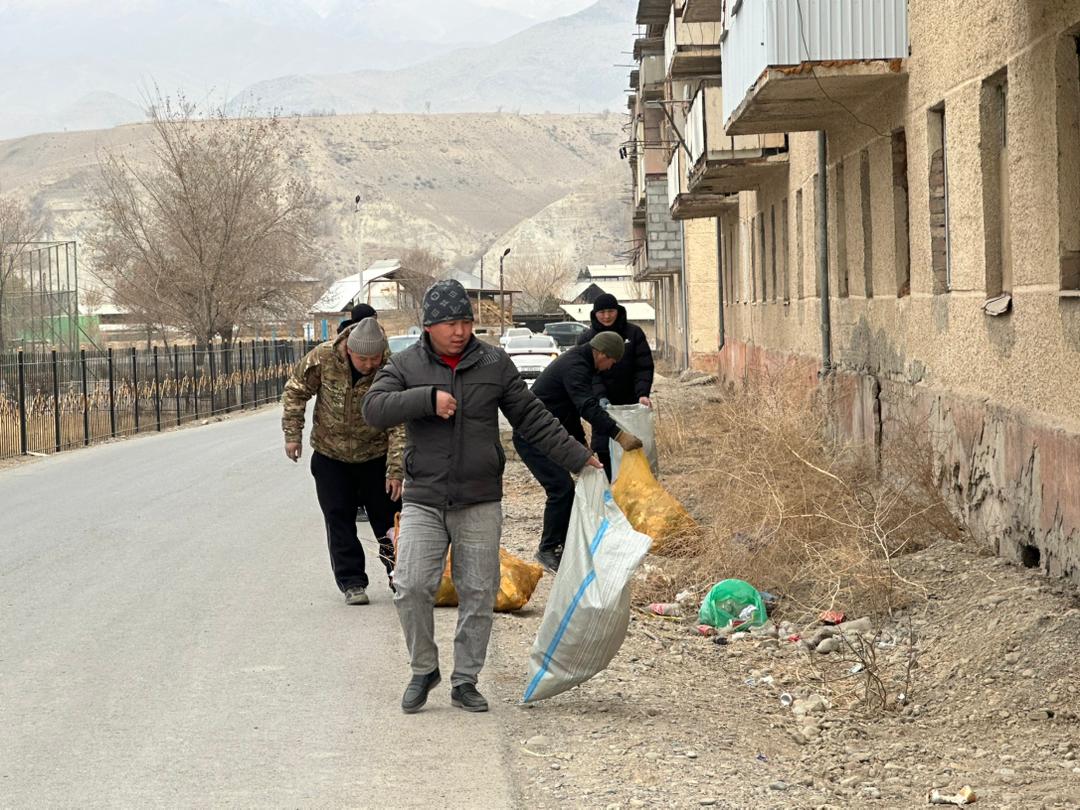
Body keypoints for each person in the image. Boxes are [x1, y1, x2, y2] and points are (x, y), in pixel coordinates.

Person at [363, 279, 602, 715]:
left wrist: (578, 456)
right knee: (410, 585)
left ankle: (465, 680)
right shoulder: (407, 363)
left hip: (480, 498)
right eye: (450, 323)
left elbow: (531, 416)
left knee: (478, 591)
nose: (460, 331)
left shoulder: (494, 362)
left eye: (466, 322)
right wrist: (426, 400)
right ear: (429, 326)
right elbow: (374, 409)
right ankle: (424, 669)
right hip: (424, 498)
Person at [282, 318, 404, 605]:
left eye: (375, 358)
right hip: (331, 455)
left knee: (389, 520)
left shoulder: (392, 367)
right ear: (349, 349)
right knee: (339, 518)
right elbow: (296, 390)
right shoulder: (323, 358)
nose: (370, 365)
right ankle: (352, 582)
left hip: (375, 456)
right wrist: (292, 435)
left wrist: (396, 469)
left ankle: (400, 576)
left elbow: (400, 421)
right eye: (363, 359)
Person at [514, 332, 643, 573]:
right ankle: (547, 549)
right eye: (611, 361)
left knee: (566, 489)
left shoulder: (580, 363)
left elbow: (569, 411)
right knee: (561, 488)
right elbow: (586, 407)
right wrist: (618, 435)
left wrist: (582, 443)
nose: (610, 367)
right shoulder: (575, 366)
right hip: (531, 436)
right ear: (602, 354)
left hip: (550, 435)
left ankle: (562, 546)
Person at [575, 293, 655, 479]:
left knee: (634, 446)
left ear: (618, 311)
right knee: (604, 446)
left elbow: (643, 367)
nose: (606, 316)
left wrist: (642, 394)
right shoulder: (587, 338)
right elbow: (589, 374)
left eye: (610, 311)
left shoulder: (633, 333)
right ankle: (611, 487)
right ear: (594, 314)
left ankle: (636, 487)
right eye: (601, 312)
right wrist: (600, 396)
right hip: (602, 405)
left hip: (631, 403)